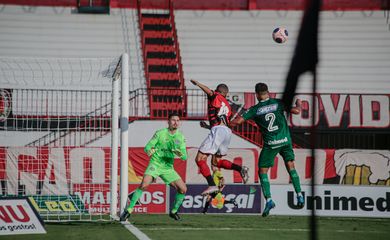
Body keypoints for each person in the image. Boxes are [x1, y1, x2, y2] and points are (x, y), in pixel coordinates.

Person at [229, 82, 305, 217]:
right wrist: (299, 104)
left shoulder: (255, 109)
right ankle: (299, 195)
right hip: (285, 141)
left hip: (271, 144)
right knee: (291, 166)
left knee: (263, 171)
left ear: (256, 94)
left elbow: (237, 122)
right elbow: (297, 111)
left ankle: (269, 200)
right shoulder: (278, 102)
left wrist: (225, 122)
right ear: (268, 92)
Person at [120, 113, 187, 221]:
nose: (176, 122)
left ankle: (174, 211)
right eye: (173, 120)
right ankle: (129, 210)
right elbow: (148, 147)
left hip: (167, 168)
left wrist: (179, 153)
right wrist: (150, 150)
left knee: (183, 189)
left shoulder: (180, 137)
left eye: (178, 120)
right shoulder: (160, 133)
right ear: (168, 122)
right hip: (155, 164)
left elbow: (184, 157)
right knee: (144, 185)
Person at [190, 79, 249, 196]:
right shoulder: (227, 105)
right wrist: (208, 126)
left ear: (218, 91)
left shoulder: (216, 96)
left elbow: (209, 92)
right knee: (216, 162)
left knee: (200, 159)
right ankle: (240, 169)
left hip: (218, 131)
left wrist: (197, 83)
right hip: (226, 132)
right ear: (226, 94)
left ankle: (211, 185)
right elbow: (222, 122)